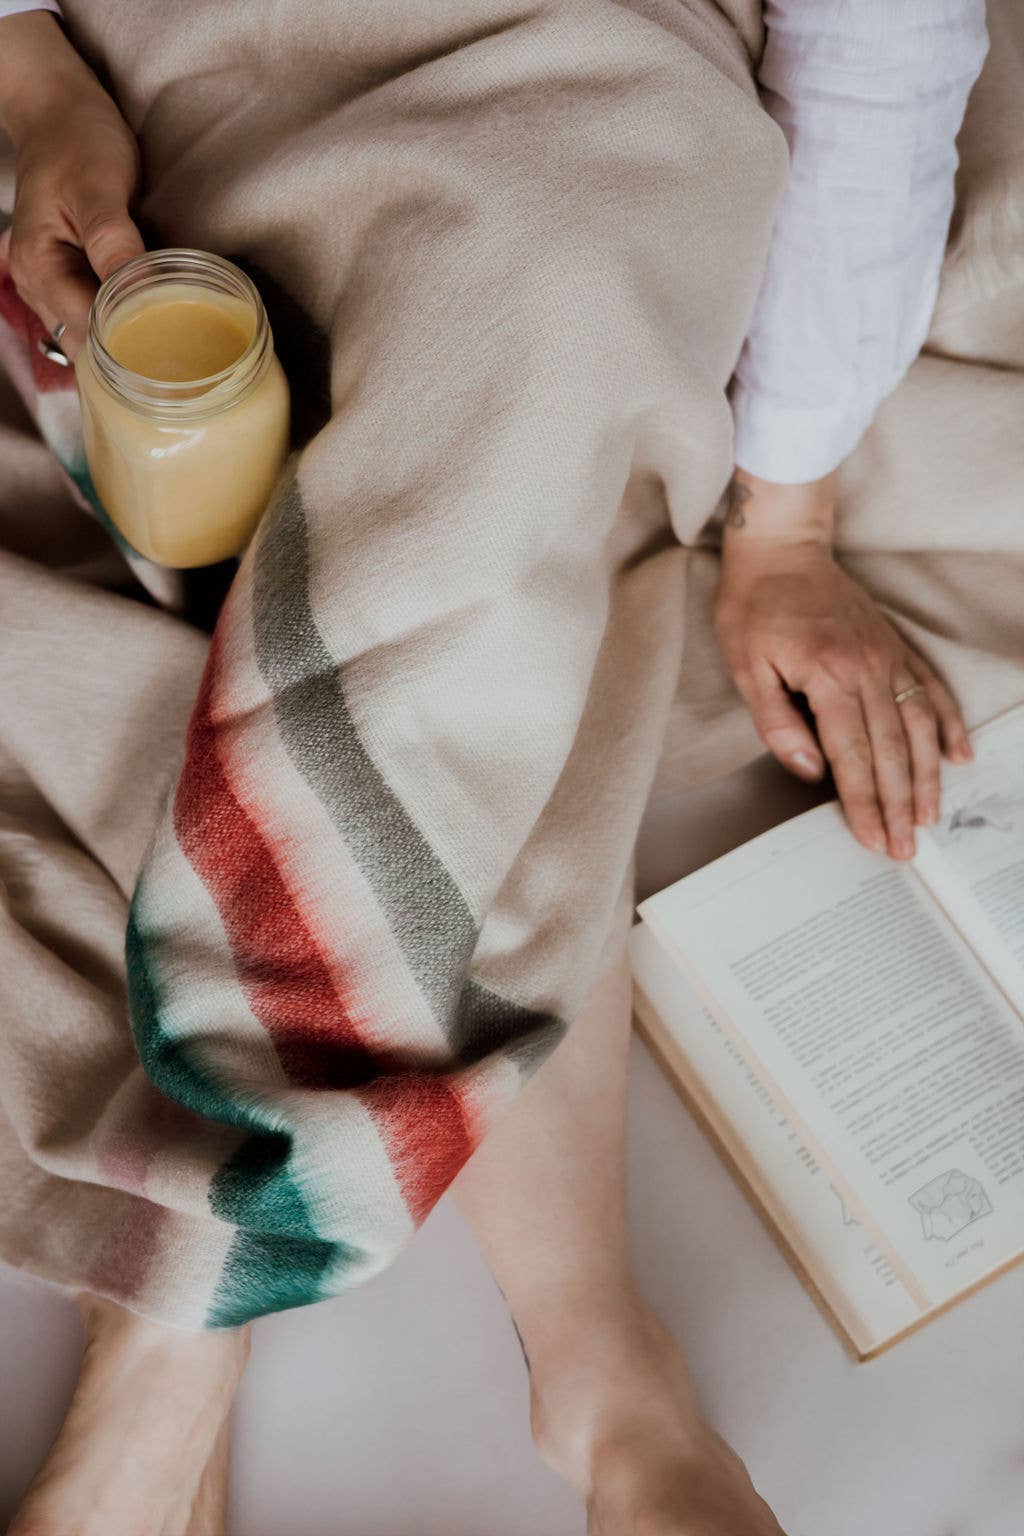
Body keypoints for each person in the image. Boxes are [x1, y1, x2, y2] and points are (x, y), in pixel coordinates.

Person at [0, 1, 987, 1533]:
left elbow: (876, 43)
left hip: (582, 95)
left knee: (525, 374)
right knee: (483, 568)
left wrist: (786, 526)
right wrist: (29, 69)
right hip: (200, 70)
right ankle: (576, 1353)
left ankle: (191, 1318)